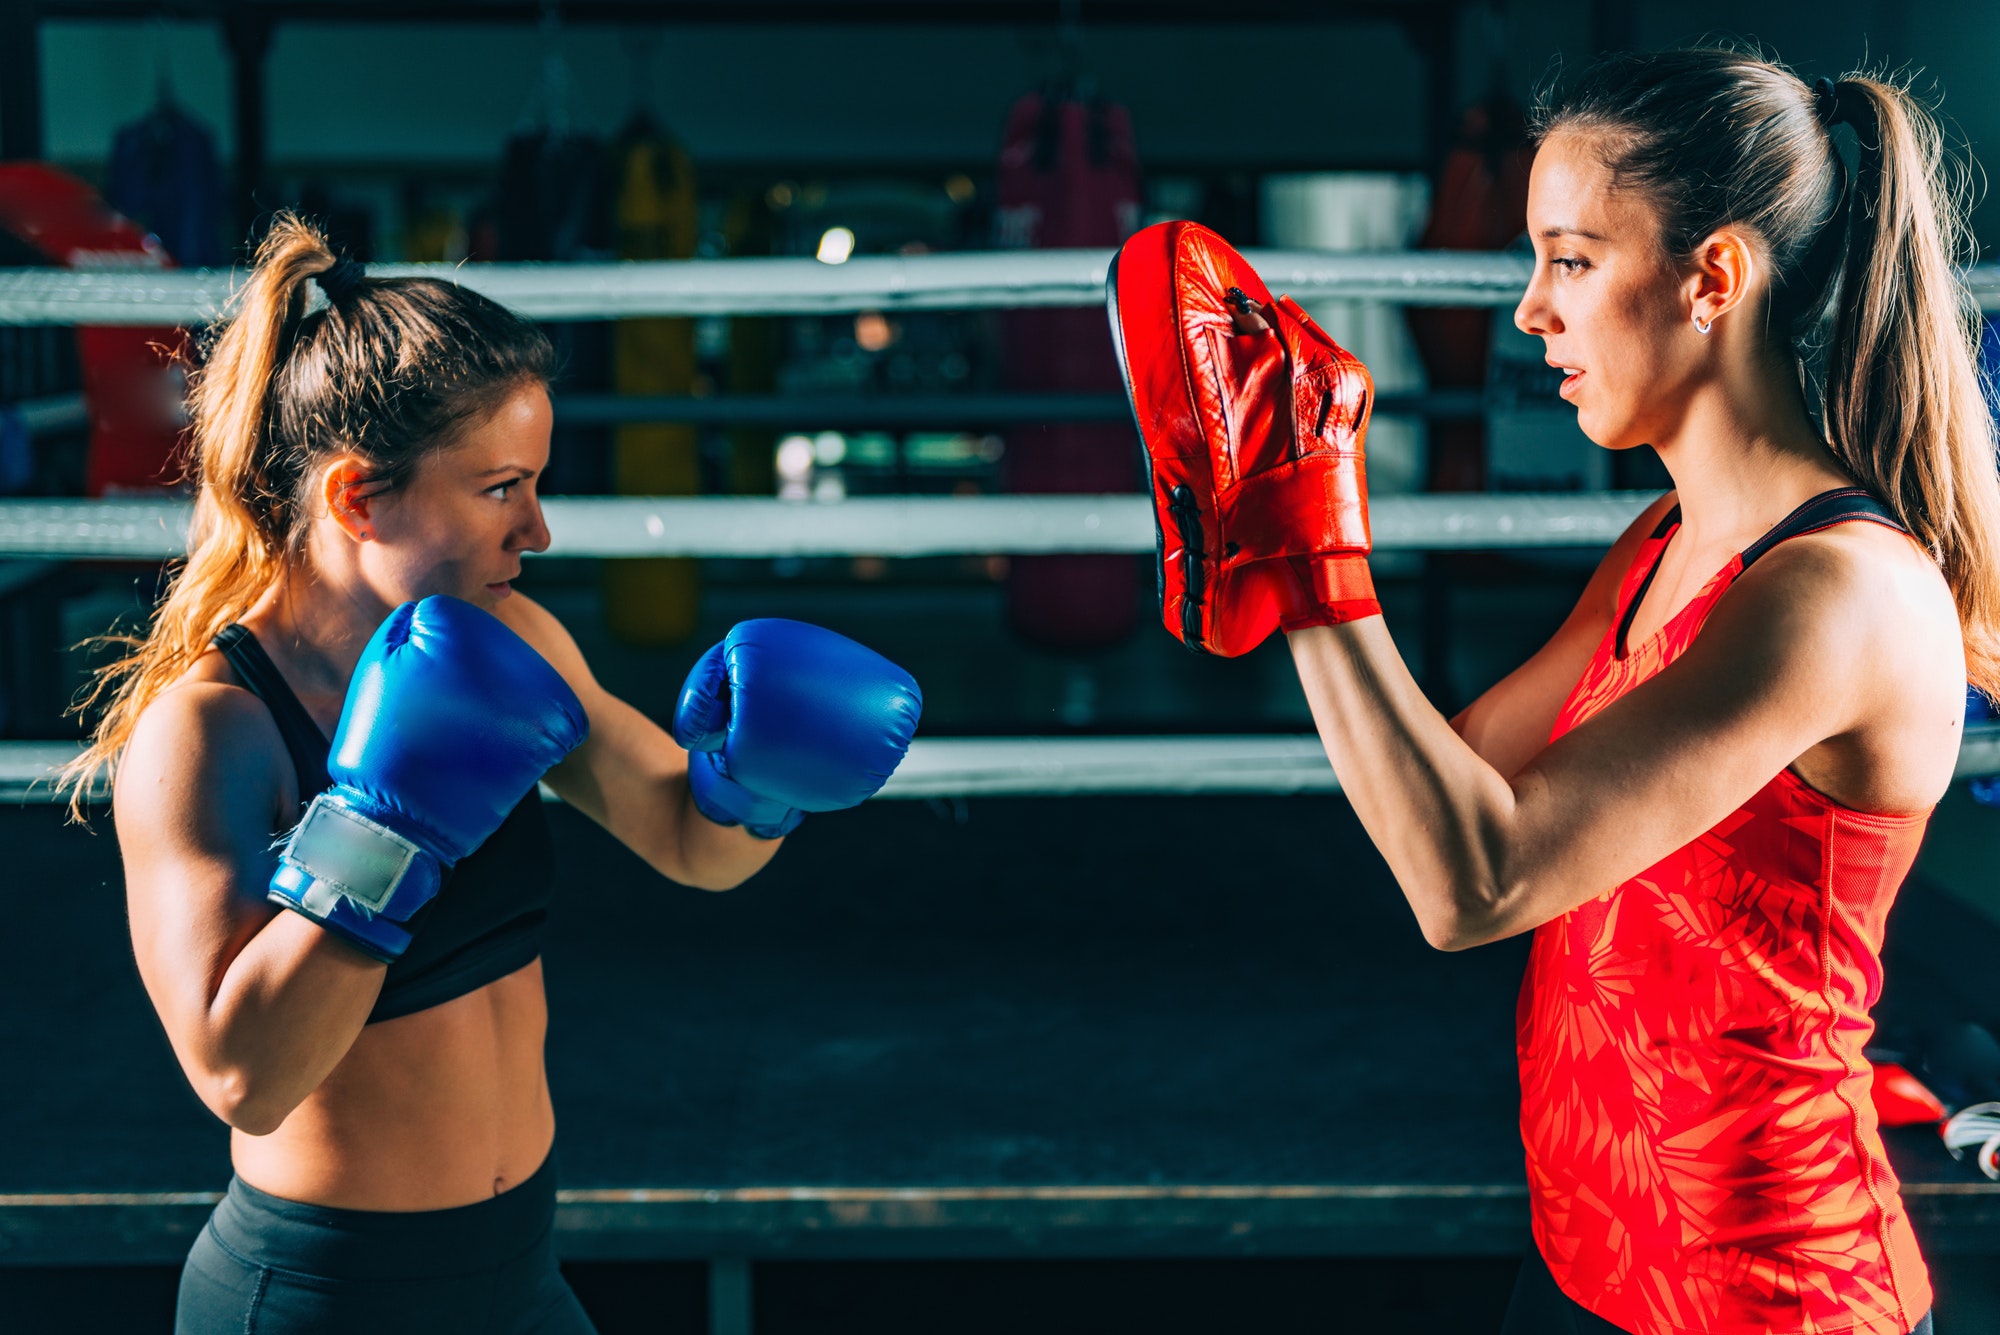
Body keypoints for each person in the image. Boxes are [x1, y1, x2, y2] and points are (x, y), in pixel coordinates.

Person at [1114, 49, 1999, 1335]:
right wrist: (1279, 530)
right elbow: (1460, 774)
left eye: (1571, 260)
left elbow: (1477, 881)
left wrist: (1309, 551)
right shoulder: (1662, 537)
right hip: (1590, 1259)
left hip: (1768, 1299)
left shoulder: (1837, 595)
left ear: (1713, 277)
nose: (1529, 311)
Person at [69, 214, 921, 1334]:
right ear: (355, 497)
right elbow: (243, 1078)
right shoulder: (213, 732)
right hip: (324, 1296)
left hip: (520, 1275)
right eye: (499, 488)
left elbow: (685, 842)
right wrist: (381, 828)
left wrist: (749, 784)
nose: (538, 530)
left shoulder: (515, 639)